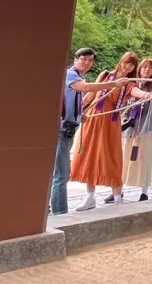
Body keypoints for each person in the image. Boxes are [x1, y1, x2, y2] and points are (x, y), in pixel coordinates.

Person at [72, 51, 152, 211]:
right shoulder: (105, 76)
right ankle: (90, 197)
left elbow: (135, 93)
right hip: (93, 119)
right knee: (89, 156)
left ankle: (118, 198)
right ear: (121, 62)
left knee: (112, 158)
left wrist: (148, 94)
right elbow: (90, 95)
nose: (127, 66)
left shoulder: (129, 83)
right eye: (126, 62)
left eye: (131, 64)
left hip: (110, 123)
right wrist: (79, 111)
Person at [50, 48, 123, 215]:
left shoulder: (79, 76)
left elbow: (74, 99)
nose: (86, 63)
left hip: (69, 128)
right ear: (75, 60)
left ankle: (53, 209)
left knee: (60, 173)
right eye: (83, 59)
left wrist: (79, 115)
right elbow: (86, 88)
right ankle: (60, 213)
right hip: (61, 130)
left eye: (90, 61)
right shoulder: (71, 75)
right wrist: (113, 84)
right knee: (61, 175)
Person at [112, 56, 152, 203]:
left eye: (150, 68)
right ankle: (119, 189)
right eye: (144, 67)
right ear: (139, 69)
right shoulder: (131, 84)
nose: (147, 70)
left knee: (143, 158)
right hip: (129, 126)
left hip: (145, 127)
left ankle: (144, 191)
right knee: (124, 157)